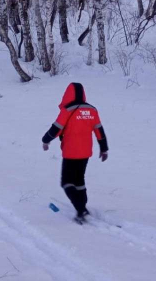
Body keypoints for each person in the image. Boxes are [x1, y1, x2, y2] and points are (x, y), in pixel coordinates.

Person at [42, 83, 108, 222]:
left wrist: (45, 140)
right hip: (85, 153)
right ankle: (82, 207)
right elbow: (99, 130)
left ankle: (81, 210)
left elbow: (56, 128)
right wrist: (104, 148)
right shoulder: (92, 110)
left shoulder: (67, 110)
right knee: (79, 180)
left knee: (66, 182)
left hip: (71, 152)